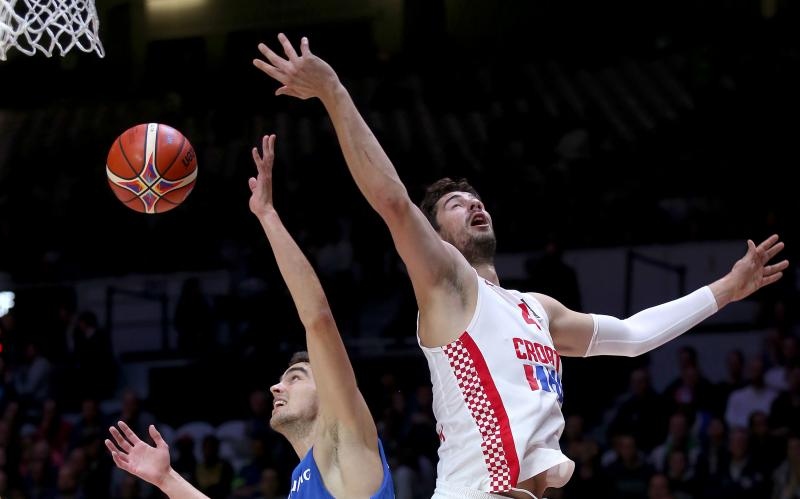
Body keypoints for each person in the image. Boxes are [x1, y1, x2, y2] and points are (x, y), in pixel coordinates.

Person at [253, 34, 790, 499]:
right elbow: (392, 201)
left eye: (477, 198)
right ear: (437, 240)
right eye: (456, 205)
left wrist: (726, 289)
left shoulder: (538, 310)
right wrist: (333, 91)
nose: (475, 204)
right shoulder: (450, 287)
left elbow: (630, 336)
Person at [105, 134, 395, 498]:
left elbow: (318, 319)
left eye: (295, 377)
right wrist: (167, 480)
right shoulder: (304, 479)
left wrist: (267, 215)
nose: (277, 387)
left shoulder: (350, 446)